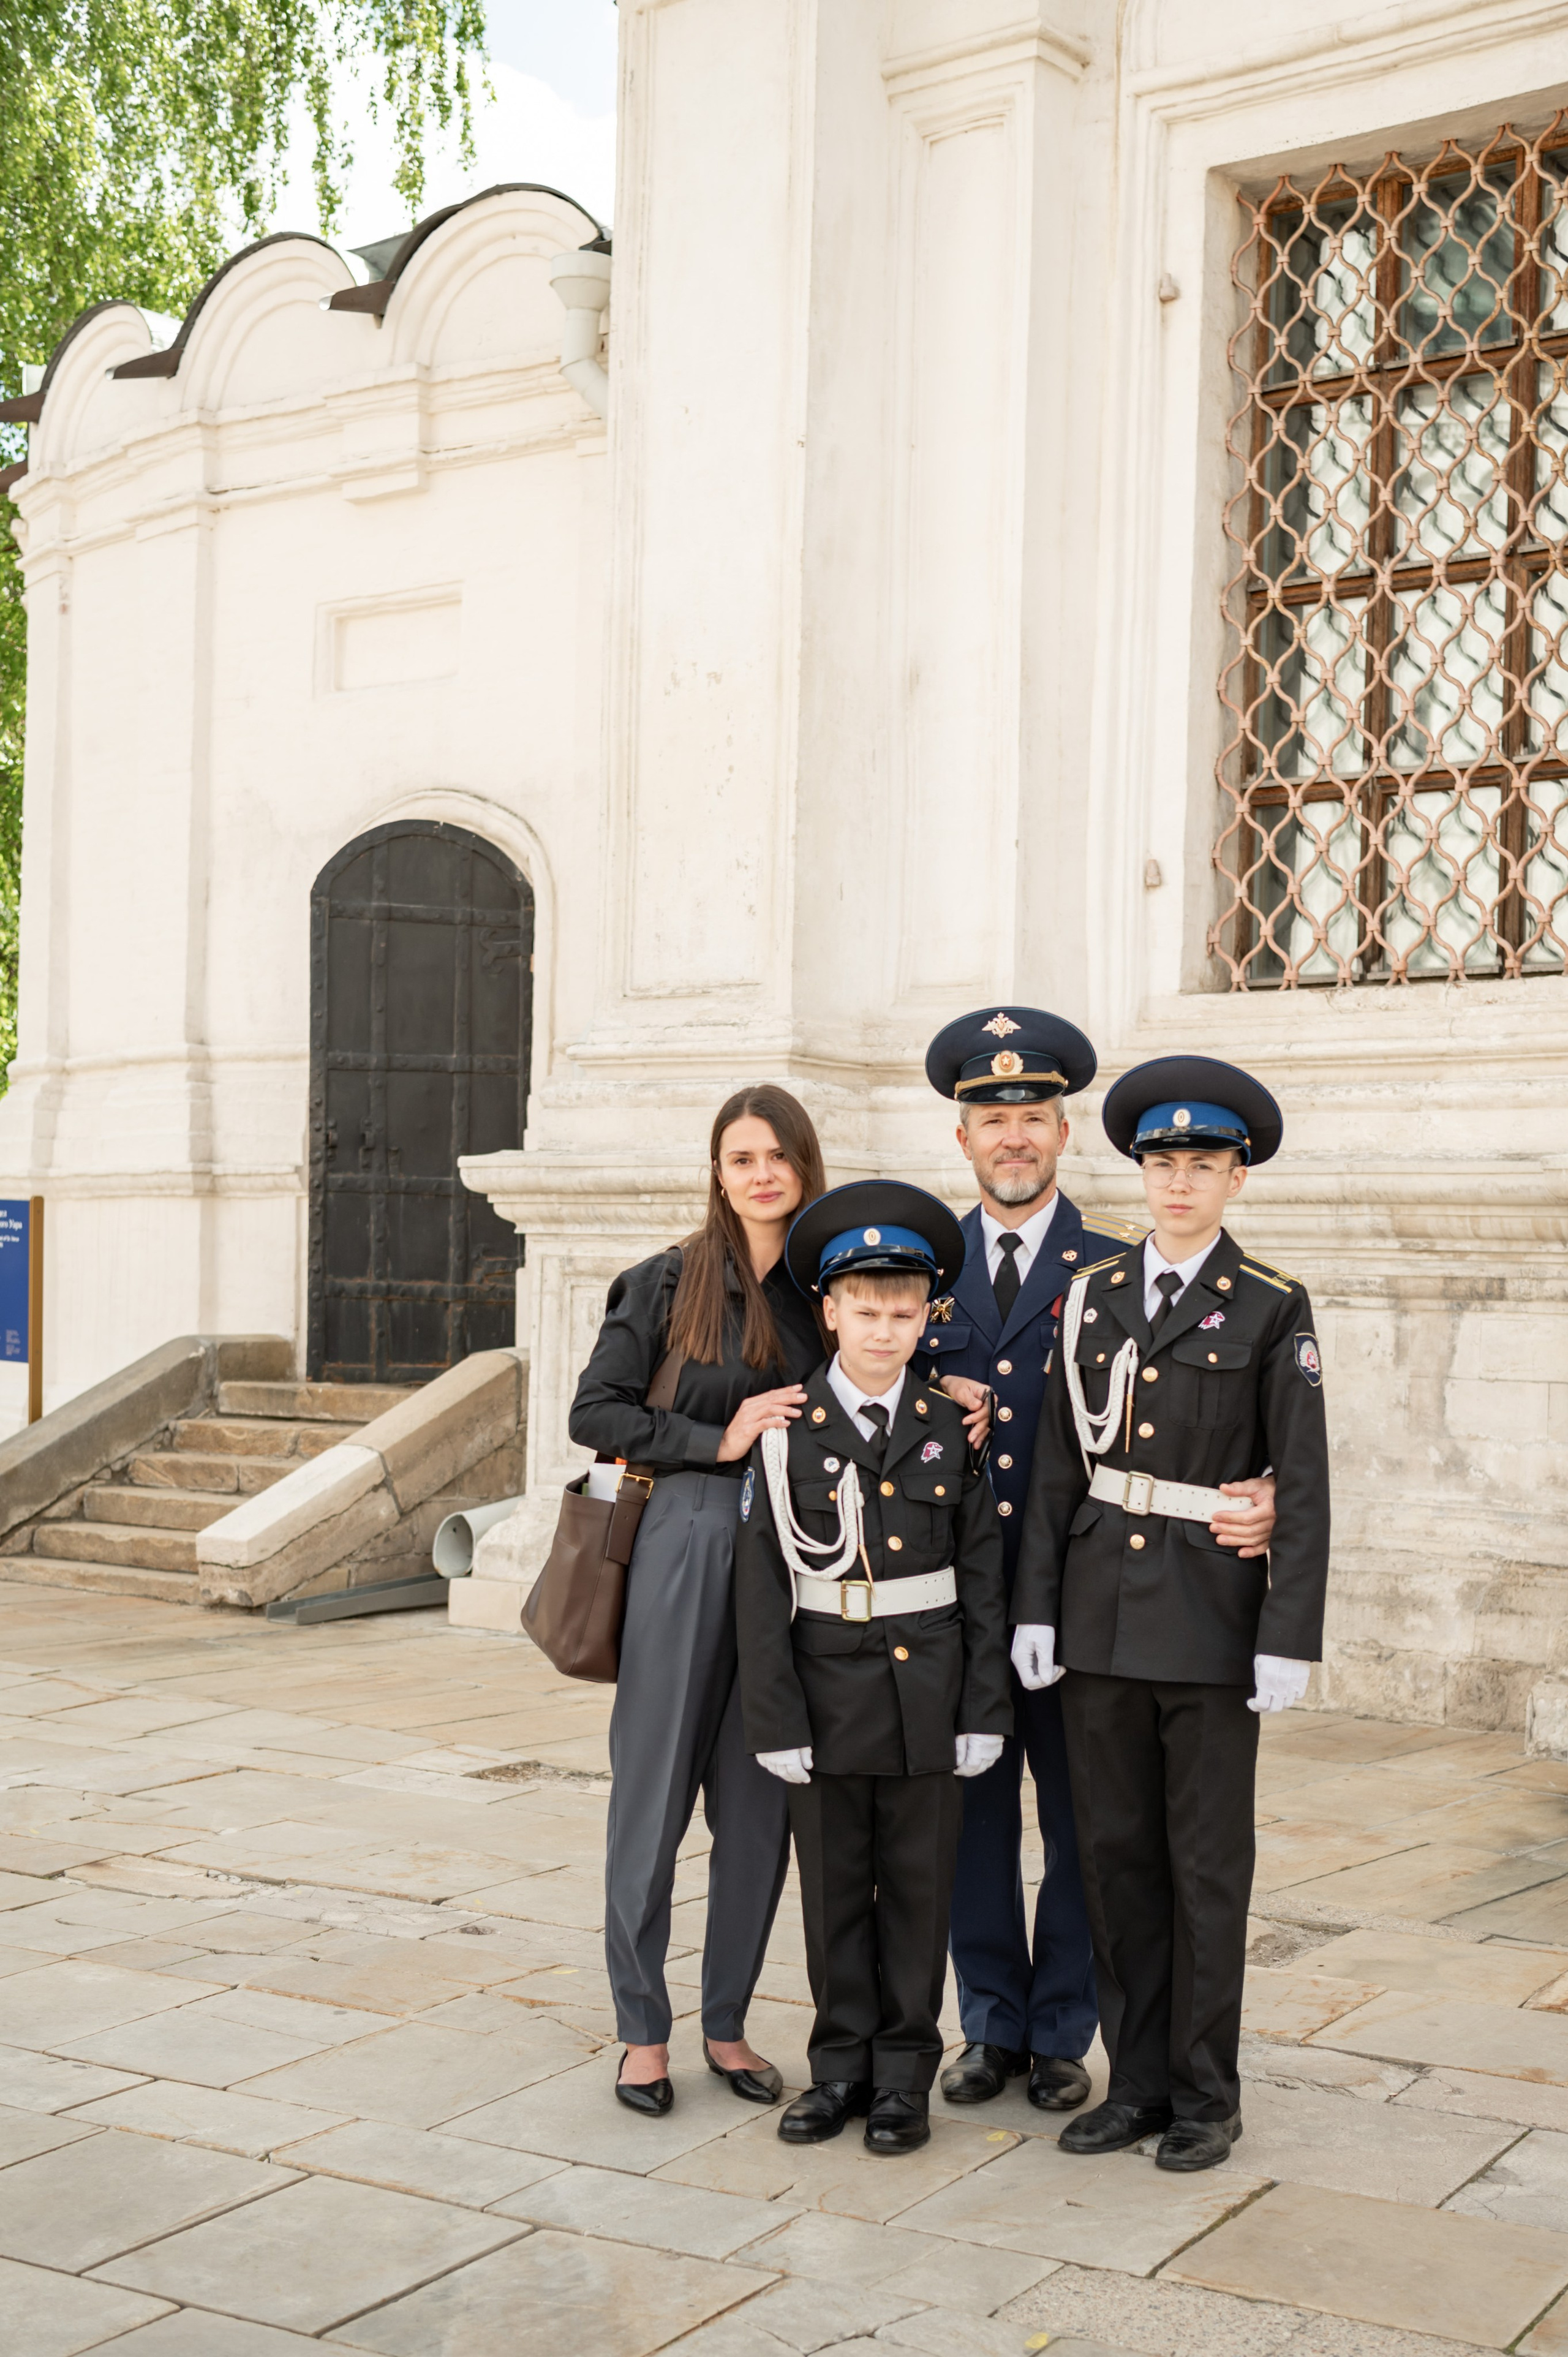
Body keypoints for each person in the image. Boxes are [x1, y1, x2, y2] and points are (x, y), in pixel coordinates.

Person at [918, 1008, 1278, 2114]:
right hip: (956, 1597)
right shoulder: (913, 1267)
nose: (1012, 1137)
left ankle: (1066, 2026)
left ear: (1065, 1134)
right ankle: (991, 2023)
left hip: (1083, 1595)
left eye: (1032, 1118)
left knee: (1090, 1826)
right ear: (965, 1141)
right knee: (971, 1820)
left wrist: (1260, 1493)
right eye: (992, 1120)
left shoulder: (1111, 1271)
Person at [1010, 1055, 1330, 2171]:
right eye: (1163, 1163)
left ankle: (1205, 2092)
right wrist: (1036, 1606)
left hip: (1208, 1623)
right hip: (1098, 1615)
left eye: (1204, 1164)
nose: (1180, 1182)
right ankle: (1135, 2081)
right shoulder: (1092, 1296)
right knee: (1110, 1859)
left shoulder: (1273, 1303)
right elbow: (1058, 1465)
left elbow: (1304, 1474)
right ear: (1139, 1172)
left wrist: (1288, 1630)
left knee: (1203, 1868)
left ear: (1237, 1180)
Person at [734, 1182, 1012, 2156]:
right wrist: (773, 1717)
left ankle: (904, 2080)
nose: (884, 1331)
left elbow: (981, 1574)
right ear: (829, 1312)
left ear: (926, 1317)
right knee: (835, 1896)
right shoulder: (784, 1430)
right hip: (823, 1693)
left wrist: (986, 1709)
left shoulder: (950, 1427)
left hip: (930, 1694)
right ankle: (838, 2070)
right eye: (865, 1311)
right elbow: (762, 1586)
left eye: (903, 1313)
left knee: (919, 1894)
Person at [568, 1085, 828, 2116]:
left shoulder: (830, 1285)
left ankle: (726, 2024)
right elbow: (595, 1410)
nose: (761, 1175)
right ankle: (641, 2030)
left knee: (762, 1806)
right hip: (683, 1541)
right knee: (653, 1799)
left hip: (795, 1563)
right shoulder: (666, 1281)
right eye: (740, 1158)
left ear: (806, 1165)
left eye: (777, 1156)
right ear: (718, 1172)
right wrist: (714, 1439)